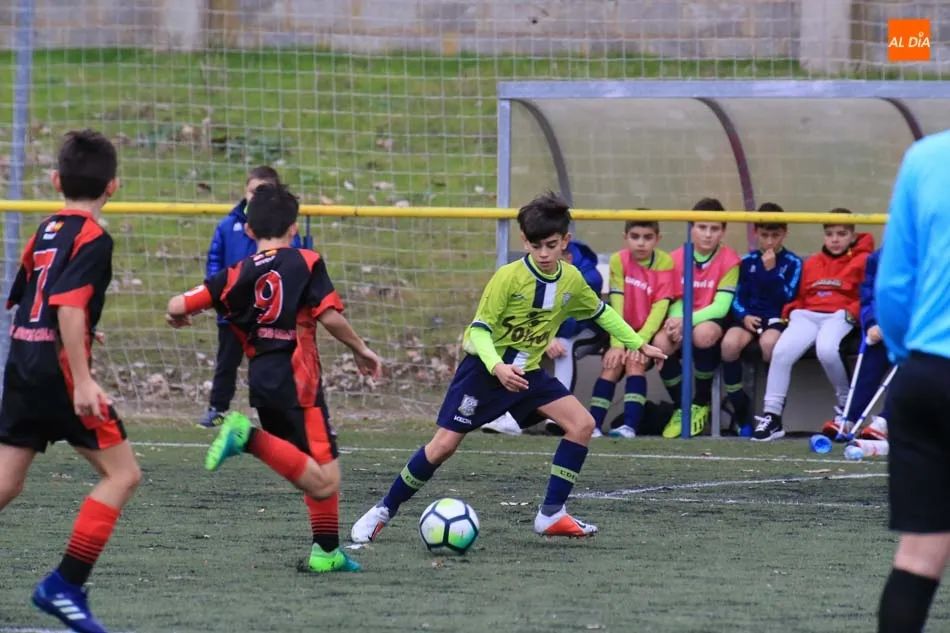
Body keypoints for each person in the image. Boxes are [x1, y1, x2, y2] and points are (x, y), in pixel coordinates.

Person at [349, 192, 667, 543]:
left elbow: (600, 312)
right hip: (484, 372)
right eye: (535, 246)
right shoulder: (508, 278)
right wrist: (497, 366)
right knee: (442, 447)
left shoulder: (573, 279)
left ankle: (551, 514)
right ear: (524, 242)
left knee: (582, 424)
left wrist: (639, 343)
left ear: (566, 242)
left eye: (551, 245)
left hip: (527, 374)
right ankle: (383, 509)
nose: (544, 253)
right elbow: (480, 330)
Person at [166, 183, 381, 573]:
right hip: (299, 382)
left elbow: (178, 304)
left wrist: (177, 315)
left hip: (263, 382)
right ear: (294, 227)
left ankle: (326, 552)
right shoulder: (306, 261)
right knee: (326, 477)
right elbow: (328, 314)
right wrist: (361, 349)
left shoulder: (236, 272)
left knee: (312, 471)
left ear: (249, 232)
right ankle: (245, 436)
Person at [0, 130, 142, 633]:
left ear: (56, 181)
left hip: (21, 359)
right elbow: (66, 304)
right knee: (122, 475)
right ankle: (64, 584)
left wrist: (81, 334)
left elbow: (26, 297)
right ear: (114, 187)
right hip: (59, 373)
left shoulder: (43, 230)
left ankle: (65, 586)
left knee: (6, 481)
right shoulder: (95, 237)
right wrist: (82, 379)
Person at [874, 130, 950, 633]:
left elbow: (894, 283)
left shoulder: (927, 156)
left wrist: (910, 354)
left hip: (928, 375)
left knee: (919, 556)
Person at [751, 208, 874, 441]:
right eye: (829, 234)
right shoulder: (813, 262)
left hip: (839, 315)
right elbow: (801, 296)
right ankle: (772, 416)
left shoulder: (863, 260)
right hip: (807, 315)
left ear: (853, 235)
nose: (835, 239)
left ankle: (848, 412)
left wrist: (852, 313)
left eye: (841, 233)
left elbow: (867, 294)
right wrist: (792, 310)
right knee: (782, 352)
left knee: (826, 350)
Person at [199, 166, 302, 428]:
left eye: (263, 192)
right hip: (234, 311)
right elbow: (215, 261)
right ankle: (217, 408)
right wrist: (215, 294)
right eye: (253, 191)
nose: (256, 197)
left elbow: (296, 262)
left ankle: (283, 409)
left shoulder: (284, 231)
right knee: (227, 362)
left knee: (276, 362)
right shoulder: (228, 225)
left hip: (269, 313)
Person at [482, 238, 605, 436]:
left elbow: (578, 320)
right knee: (518, 345)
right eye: (537, 248)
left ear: (567, 255)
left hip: (584, 331)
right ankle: (506, 416)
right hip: (548, 331)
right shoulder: (529, 272)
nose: (543, 258)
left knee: (564, 348)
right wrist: (546, 336)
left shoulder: (586, 277)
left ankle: (561, 416)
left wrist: (548, 335)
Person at [653, 198, 741, 438]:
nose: (707, 234)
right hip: (682, 317)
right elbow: (674, 297)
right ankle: (682, 406)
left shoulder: (730, 260)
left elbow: (721, 307)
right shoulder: (675, 258)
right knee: (660, 345)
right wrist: (674, 321)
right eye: (702, 227)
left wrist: (686, 320)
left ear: (723, 231)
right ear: (692, 228)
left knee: (703, 335)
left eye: (714, 229)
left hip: (709, 318)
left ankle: (701, 401)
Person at [588, 220, 677, 438]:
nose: (641, 243)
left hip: (646, 334)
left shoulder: (665, 262)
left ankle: (629, 427)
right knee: (611, 364)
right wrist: (618, 343)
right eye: (635, 236)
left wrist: (639, 343)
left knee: (635, 362)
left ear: (658, 239)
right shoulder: (619, 260)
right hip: (621, 332)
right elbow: (616, 304)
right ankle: (593, 426)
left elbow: (659, 308)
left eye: (647, 237)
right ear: (625, 236)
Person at [719, 203, 802, 434]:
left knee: (770, 345)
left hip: (777, 319)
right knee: (729, 345)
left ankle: (772, 412)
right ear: (756, 233)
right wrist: (744, 316)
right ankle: (739, 405)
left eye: (775, 235)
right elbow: (737, 296)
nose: (769, 241)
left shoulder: (793, 263)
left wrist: (772, 271)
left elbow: (788, 296)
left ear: (785, 233)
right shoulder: (746, 262)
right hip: (750, 318)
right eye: (764, 235)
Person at [819, 246, 889, 441]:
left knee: (912, 361)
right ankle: (850, 416)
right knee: (873, 352)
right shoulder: (880, 257)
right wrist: (872, 323)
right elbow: (869, 296)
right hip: (889, 324)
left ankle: (887, 420)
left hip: (923, 329)